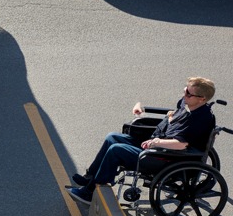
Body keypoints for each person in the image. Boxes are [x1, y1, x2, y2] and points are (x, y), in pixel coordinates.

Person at [69, 77, 216, 205]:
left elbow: (181, 144)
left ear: (202, 99)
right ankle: (91, 177)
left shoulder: (200, 119)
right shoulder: (188, 105)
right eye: (185, 90)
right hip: (157, 144)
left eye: (188, 94)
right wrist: (142, 108)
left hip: (166, 156)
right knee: (112, 137)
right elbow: (171, 114)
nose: (184, 95)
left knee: (116, 150)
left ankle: (90, 192)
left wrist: (156, 142)